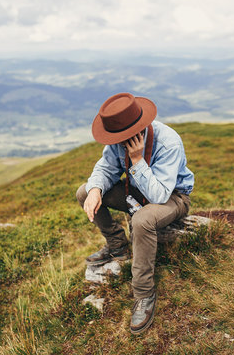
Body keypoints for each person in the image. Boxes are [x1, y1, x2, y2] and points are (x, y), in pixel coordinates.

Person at [76, 92, 194, 334]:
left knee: (142, 219)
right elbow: (105, 168)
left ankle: (144, 293)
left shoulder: (168, 142)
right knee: (84, 191)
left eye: (120, 137)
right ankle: (117, 245)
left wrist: (137, 159)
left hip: (172, 197)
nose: (117, 141)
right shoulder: (118, 141)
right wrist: (96, 189)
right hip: (137, 192)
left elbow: (159, 196)